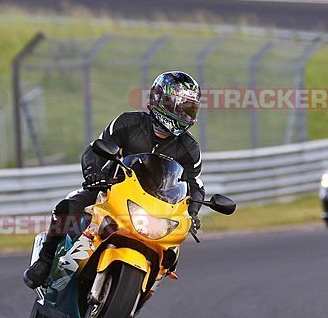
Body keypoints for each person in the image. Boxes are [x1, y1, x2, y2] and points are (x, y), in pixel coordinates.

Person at [23, 71, 206, 289]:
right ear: (162, 100)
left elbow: (195, 185)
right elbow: (96, 149)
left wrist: (193, 212)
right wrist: (94, 173)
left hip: (157, 208)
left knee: (172, 251)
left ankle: (144, 285)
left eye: (190, 108)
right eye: (182, 107)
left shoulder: (189, 149)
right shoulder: (128, 123)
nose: (186, 114)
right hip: (111, 190)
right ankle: (45, 261)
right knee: (68, 206)